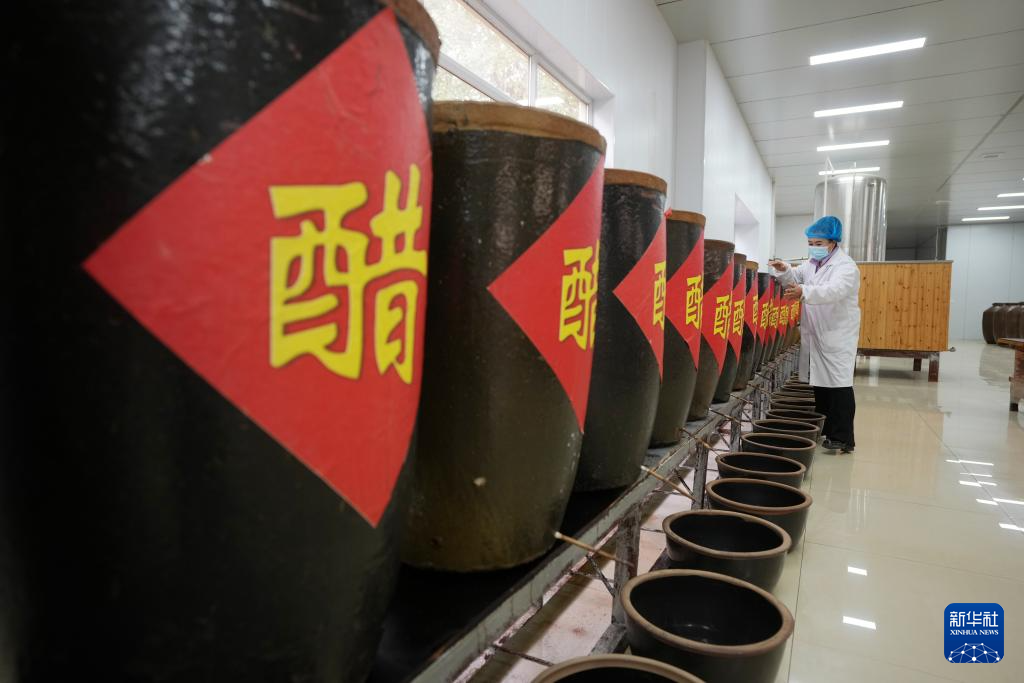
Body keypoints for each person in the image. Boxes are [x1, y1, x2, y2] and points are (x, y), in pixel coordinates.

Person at [768, 216, 861, 453]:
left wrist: (804, 292)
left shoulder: (845, 267)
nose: (814, 248)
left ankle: (843, 438)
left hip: (836, 333)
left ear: (833, 242)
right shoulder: (813, 263)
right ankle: (826, 428)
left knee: (838, 385)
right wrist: (785, 270)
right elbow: (797, 277)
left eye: (818, 243)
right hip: (818, 331)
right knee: (820, 383)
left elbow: (834, 290)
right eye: (811, 243)